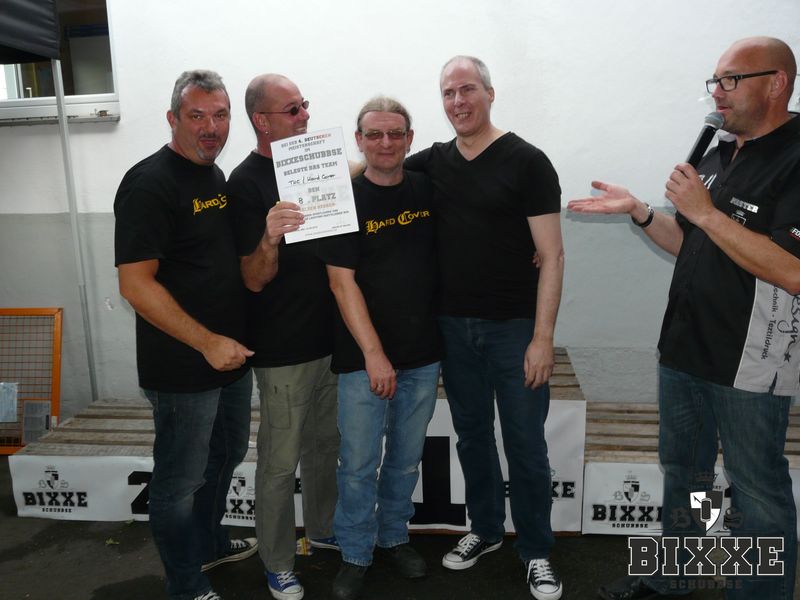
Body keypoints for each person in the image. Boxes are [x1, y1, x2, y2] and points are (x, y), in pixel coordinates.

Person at [568, 37, 799, 600]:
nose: (718, 92)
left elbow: (793, 271)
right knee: (688, 476)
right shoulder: (719, 150)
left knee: (756, 493)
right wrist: (642, 212)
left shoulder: (796, 158)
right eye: (714, 81)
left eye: (731, 80)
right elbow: (691, 242)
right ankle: (676, 575)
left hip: (748, 364)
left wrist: (706, 213)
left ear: (777, 83)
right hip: (683, 351)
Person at [405, 56, 565, 600]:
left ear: (490, 94)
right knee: (472, 436)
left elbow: (552, 255)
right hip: (453, 328)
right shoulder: (433, 161)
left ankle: (537, 550)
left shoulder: (528, 162)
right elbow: (379, 164)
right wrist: (322, 178)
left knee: (525, 443)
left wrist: (542, 338)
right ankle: (487, 529)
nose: (458, 101)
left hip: (514, 330)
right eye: (448, 93)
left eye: (467, 89)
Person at [114, 69, 257, 600]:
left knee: (226, 454)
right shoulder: (149, 184)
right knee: (178, 481)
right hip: (182, 367)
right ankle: (184, 582)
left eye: (220, 116)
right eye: (197, 116)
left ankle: (209, 543)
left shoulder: (212, 176)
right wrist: (206, 342)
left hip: (229, 359)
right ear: (172, 118)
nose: (210, 127)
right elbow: (135, 284)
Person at [320, 97, 441, 600]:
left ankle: (393, 537)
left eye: (395, 134)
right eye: (374, 134)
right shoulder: (342, 200)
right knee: (358, 464)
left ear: (409, 139)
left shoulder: (429, 190)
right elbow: (341, 282)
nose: (385, 143)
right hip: (362, 360)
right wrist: (374, 354)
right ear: (359, 140)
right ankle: (354, 552)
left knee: (405, 460)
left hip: (423, 355)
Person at [227, 74, 340, 600]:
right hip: (282, 350)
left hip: (331, 341)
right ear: (262, 121)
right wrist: (270, 237)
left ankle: (323, 529)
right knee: (279, 461)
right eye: (292, 110)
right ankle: (276, 559)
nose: (304, 116)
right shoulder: (244, 184)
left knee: (325, 448)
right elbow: (252, 278)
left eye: (304, 105)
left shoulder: (315, 164)